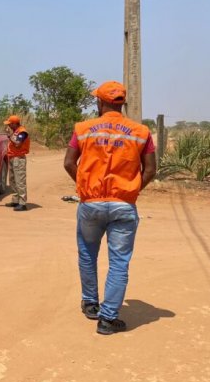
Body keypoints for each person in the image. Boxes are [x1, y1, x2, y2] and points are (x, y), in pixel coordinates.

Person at [63, 81, 157, 335]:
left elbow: (69, 162)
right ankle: (107, 319)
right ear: (121, 103)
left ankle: (91, 303)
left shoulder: (83, 129)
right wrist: (131, 190)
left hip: (91, 203)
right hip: (123, 204)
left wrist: (85, 186)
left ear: (100, 102)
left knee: (87, 253)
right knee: (119, 263)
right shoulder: (140, 131)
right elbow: (150, 169)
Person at [4, 115, 30, 211]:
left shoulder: (22, 132)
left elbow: (18, 144)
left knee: (20, 181)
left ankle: (22, 203)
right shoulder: (16, 131)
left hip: (18, 159)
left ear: (15, 123)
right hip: (12, 158)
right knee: (12, 180)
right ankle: (15, 200)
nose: (9, 126)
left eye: (10, 124)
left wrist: (9, 136)